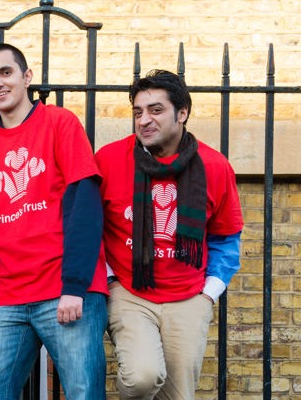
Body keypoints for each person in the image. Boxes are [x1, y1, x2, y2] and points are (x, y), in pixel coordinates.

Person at [0, 43, 108, 399]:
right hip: (10, 297)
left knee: (83, 394)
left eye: (5, 72)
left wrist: (74, 286)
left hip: (67, 290)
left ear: (27, 77)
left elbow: (84, 210)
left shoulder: (60, 123)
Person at [96, 69, 243, 399]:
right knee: (142, 378)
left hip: (190, 296)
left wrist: (209, 294)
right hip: (131, 292)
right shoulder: (108, 160)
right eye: (138, 112)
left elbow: (226, 237)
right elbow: (90, 228)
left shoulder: (215, 166)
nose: (144, 120)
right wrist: (110, 280)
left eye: (155, 110)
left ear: (182, 113)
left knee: (179, 395)